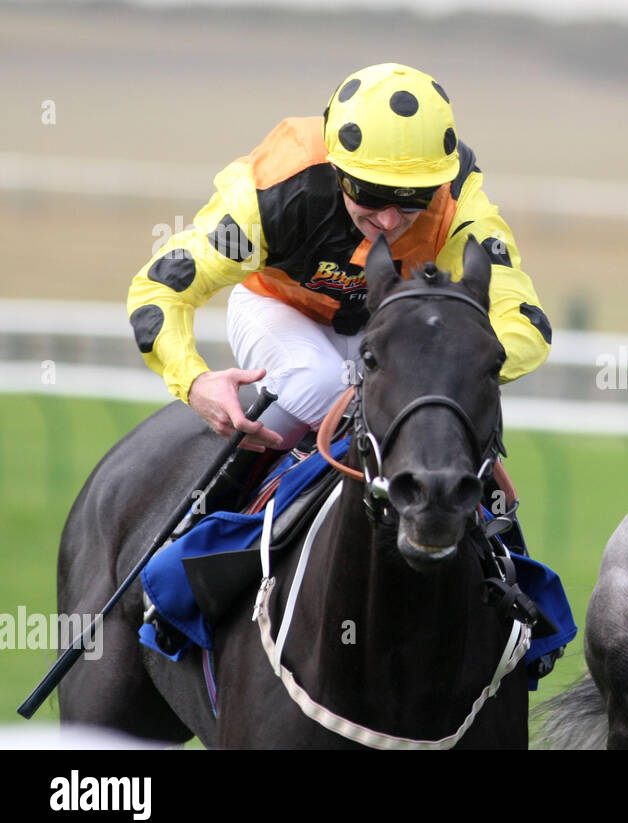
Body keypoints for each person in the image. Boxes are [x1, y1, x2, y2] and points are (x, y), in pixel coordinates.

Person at [126, 63, 552, 524]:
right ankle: (190, 533)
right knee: (320, 381)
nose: (388, 221)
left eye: (413, 199)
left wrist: (446, 369)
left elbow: (524, 321)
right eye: (369, 193)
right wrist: (194, 382)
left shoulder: (458, 200)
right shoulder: (273, 190)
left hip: (390, 334)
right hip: (278, 310)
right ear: (336, 168)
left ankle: (506, 553)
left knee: (449, 433)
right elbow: (161, 287)